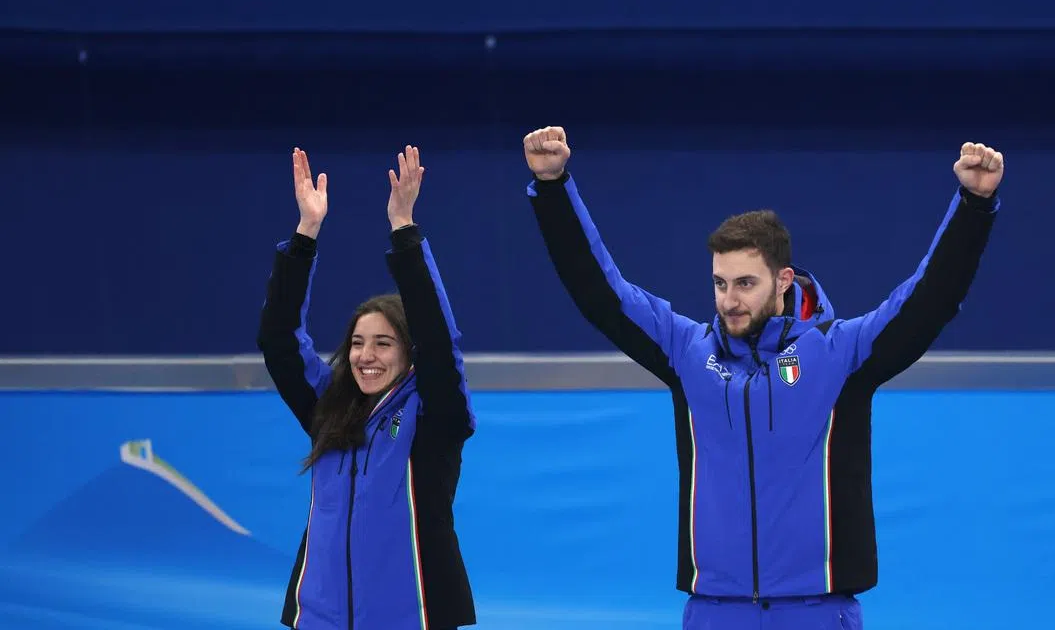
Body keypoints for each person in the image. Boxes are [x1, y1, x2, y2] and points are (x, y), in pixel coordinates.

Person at [522, 126, 1002, 630]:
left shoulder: (840, 354)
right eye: (720, 283)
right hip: (713, 611)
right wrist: (554, 188)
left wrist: (972, 205)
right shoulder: (687, 352)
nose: (730, 299)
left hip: (817, 610)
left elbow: (928, 301)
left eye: (746, 283)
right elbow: (601, 293)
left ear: (783, 281)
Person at [257, 145, 477, 630]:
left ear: (409, 352)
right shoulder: (328, 406)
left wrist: (405, 229)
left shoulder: (433, 417)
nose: (365, 356)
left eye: (382, 343)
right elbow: (278, 339)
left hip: (413, 618)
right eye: (357, 343)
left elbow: (440, 342)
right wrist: (305, 235)